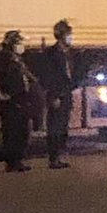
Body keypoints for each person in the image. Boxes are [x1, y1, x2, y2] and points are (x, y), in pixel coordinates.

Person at [0, 30, 36, 172]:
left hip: (21, 100)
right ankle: (13, 162)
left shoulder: (16, 59)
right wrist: (1, 96)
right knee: (12, 132)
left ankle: (18, 160)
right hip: (12, 101)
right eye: (19, 42)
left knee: (23, 130)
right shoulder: (3, 59)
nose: (22, 45)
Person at [40, 19, 75, 169]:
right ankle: (53, 158)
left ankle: (58, 156)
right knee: (54, 127)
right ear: (61, 36)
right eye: (69, 34)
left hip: (66, 94)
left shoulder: (67, 53)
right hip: (56, 95)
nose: (71, 37)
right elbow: (49, 77)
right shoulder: (51, 54)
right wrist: (54, 96)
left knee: (63, 127)